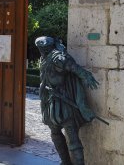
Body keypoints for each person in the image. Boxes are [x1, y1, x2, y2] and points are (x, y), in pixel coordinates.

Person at [35, 36, 99, 165]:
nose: (40, 50)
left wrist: (86, 75)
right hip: (50, 101)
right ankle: (65, 162)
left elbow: (74, 68)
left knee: (72, 137)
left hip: (63, 103)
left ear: (46, 47)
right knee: (55, 133)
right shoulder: (46, 58)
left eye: (41, 48)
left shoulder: (58, 57)